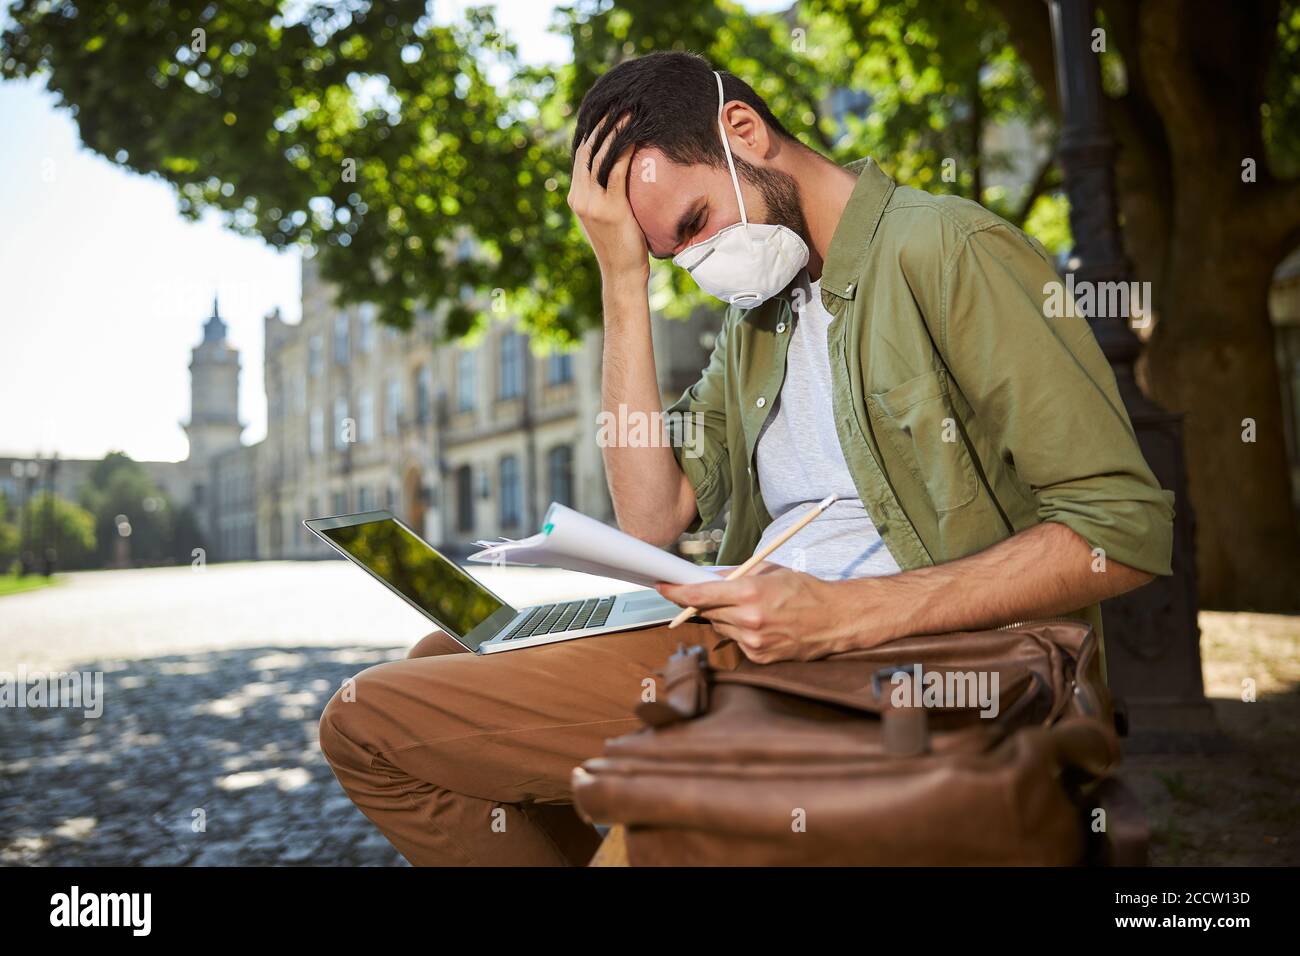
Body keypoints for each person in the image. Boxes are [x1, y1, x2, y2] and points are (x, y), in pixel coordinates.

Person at [319, 50, 1174, 867]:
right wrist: (622, 281)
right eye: (670, 255)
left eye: (693, 225)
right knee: (440, 654)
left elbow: (1120, 529)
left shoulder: (946, 249)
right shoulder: (760, 315)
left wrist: (847, 614)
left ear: (746, 131)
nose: (698, 265)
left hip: (880, 665)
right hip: (750, 645)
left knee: (361, 724)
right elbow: (653, 517)